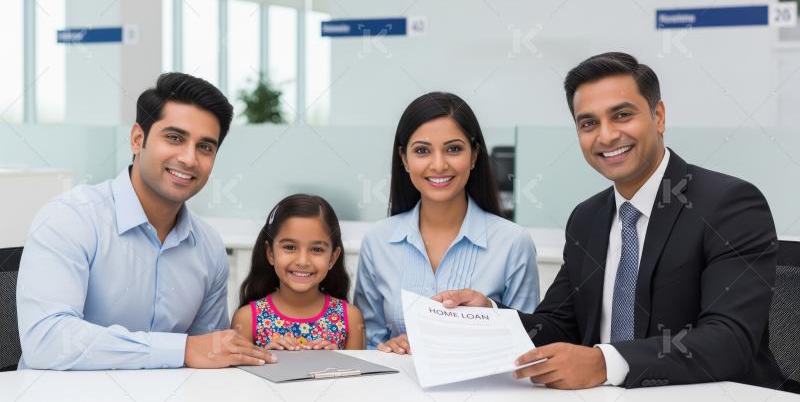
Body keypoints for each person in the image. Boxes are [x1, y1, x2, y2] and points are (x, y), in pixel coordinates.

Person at [434, 52, 786, 390]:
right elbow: (559, 325)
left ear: (658, 116)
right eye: (589, 123)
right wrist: (488, 318)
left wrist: (604, 363)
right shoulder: (587, 218)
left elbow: (729, 340)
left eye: (621, 115)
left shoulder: (727, 204)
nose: (605, 136)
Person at [16, 73, 275, 370]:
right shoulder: (71, 218)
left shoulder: (209, 247)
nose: (189, 158)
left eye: (205, 147)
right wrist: (181, 349)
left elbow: (209, 355)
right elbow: (46, 341)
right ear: (138, 139)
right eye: (174, 138)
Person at [354, 92, 540, 353]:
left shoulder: (513, 242)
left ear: (474, 155)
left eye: (453, 149)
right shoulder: (377, 241)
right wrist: (388, 348)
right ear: (404, 159)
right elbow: (368, 344)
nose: (439, 165)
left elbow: (528, 342)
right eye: (422, 151)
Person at [231, 194, 364, 350]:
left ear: (332, 258)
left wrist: (337, 361)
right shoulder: (247, 318)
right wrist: (266, 359)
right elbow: (240, 374)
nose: (302, 261)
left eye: (316, 249)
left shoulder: (351, 318)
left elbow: (358, 373)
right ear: (270, 253)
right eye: (289, 247)